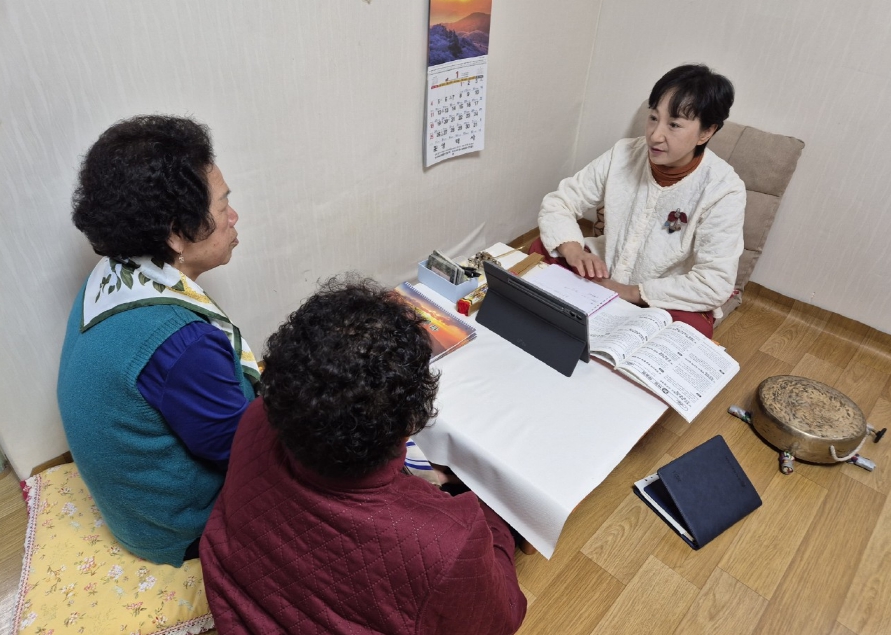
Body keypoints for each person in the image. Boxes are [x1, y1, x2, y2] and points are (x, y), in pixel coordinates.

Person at [200, 276, 527, 635]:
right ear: (410, 424)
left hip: (236, 603)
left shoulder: (256, 416)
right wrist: (490, 518)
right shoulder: (447, 543)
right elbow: (502, 618)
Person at [57, 115, 259, 566]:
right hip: (179, 528)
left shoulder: (113, 273)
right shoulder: (182, 343)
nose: (233, 217)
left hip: (133, 510)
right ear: (175, 233)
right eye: (223, 205)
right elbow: (245, 454)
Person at [534, 64, 746, 338]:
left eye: (674, 125)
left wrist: (629, 292)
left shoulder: (724, 189)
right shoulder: (623, 153)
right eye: (653, 118)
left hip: (661, 296)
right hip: (604, 272)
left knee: (692, 330)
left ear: (706, 132)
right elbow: (560, 203)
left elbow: (715, 282)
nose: (655, 135)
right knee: (543, 247)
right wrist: (574, 251)